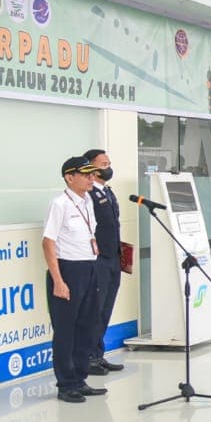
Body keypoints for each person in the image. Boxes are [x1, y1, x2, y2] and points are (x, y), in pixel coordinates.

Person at [42, 157, 106, 403]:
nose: (92, 178)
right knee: (65, 331)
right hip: (68, 270)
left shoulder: (87, 201)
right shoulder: (60, 204)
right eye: (86, 174)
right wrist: (58, 280)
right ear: (70, 177)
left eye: (92, 174)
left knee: (86, 327)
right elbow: (48, 242)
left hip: (89, 267)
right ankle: (66, 384)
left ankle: (80, 379)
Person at [81, 148, 125, 375]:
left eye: (109, 162)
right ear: (91, 167)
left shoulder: (107, 192)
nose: (108, 167)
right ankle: (87, 357)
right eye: (103, 163)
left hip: (113, 258)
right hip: (98, 260)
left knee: (106, 308)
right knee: (95, 309)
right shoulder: (87, 195)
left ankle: (98, 354)